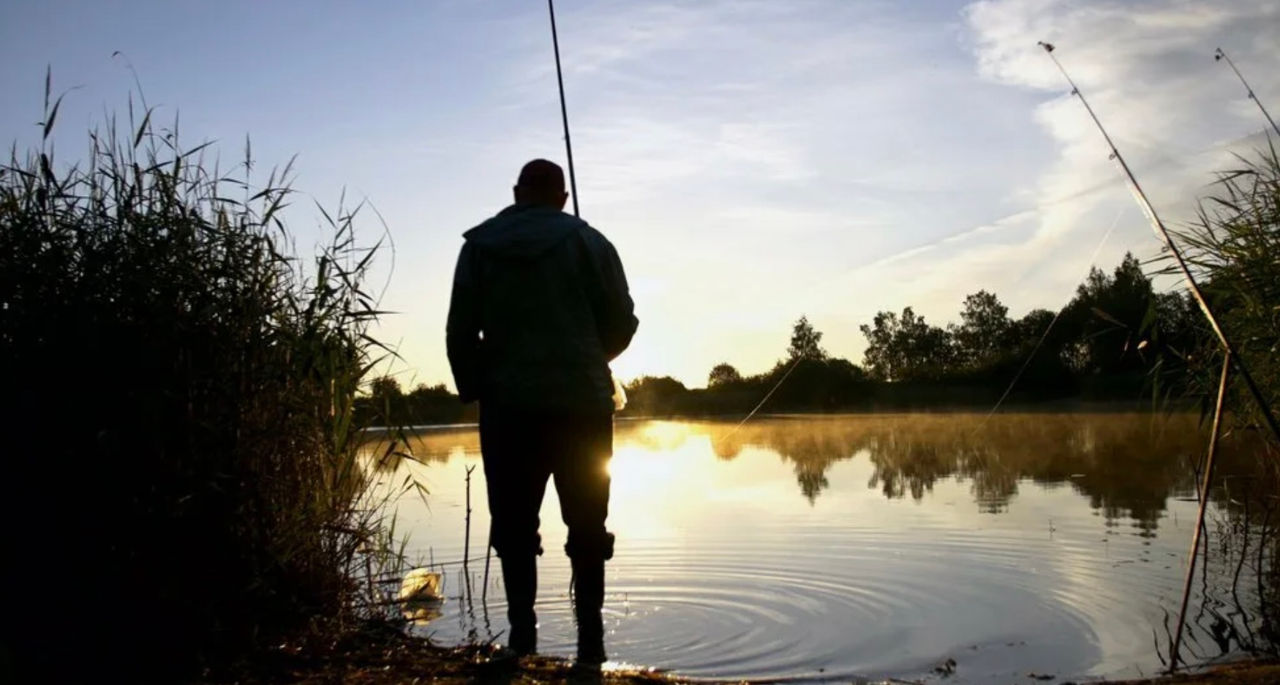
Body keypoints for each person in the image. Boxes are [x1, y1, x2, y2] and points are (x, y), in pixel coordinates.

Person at [446, 159, 638, 665]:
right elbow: (623, 321)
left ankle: (522, 635)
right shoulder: (591, 242)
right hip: (583, 406)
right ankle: (591, 637)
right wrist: (590, 358)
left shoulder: (478, 247)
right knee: (587, 522)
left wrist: (477, 387)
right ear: (563, 197)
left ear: (516, 193)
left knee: (513, 525)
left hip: (508, 408)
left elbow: (459, 331)